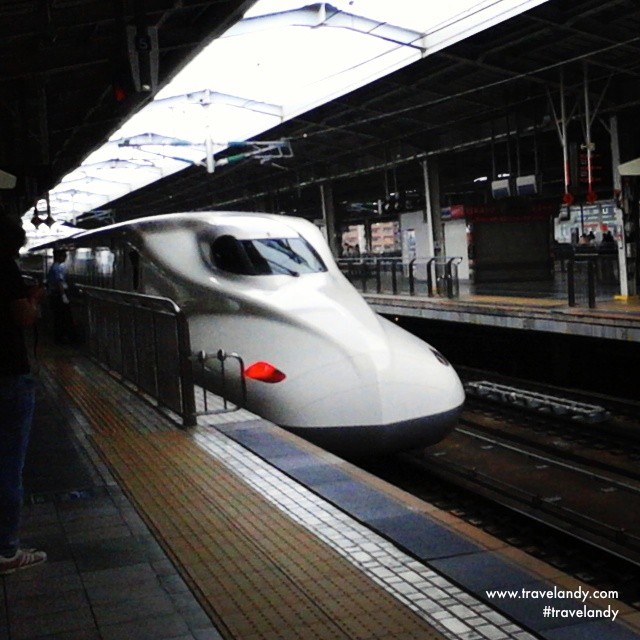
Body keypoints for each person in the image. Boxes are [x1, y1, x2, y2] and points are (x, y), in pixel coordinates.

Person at [0, 214, 47, 574]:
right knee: (8, 465)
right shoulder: (3, 268)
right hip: (8, 375)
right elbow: (23, 318)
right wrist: (32, 303)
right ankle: (7, 551)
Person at [46, 249, 76, 344]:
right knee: (63, 317)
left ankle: (59, 337)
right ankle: (63, 338)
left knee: (58, 317)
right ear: (60, 257)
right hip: (58, 295)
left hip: (54, 295)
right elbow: (60, 283)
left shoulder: (53, 267)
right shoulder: (57, 268)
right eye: (64, 256)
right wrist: (63, 295)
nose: (66, 258)